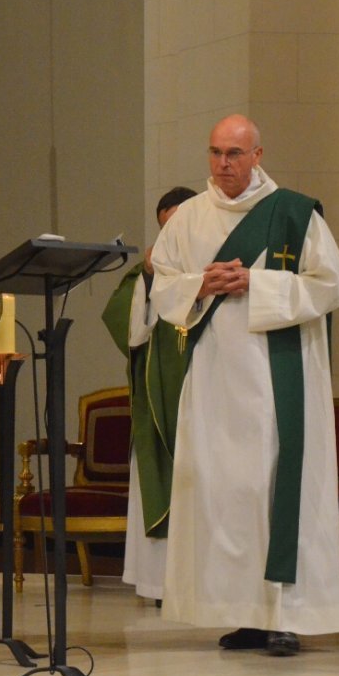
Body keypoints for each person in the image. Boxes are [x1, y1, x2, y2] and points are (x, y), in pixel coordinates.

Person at [150, 114, 339, 656]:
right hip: (215, 379)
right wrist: (199, 284)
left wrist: (256, 282)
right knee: (225, 494)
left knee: (272, 489)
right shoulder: (187, 218)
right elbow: (161, 283)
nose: (223, 165)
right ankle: (245, 613)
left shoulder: (295, 213)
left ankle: (285, 617)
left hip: (277, 377)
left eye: (235, 154)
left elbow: (330, 285)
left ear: (258, 155)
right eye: (215, 153)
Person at [101, 186, 193, 602]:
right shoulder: (145, 274)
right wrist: (151, 275)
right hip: (158, 405)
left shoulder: (222, 267)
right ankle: (161, 584)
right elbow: (132, 333)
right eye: (164, 227)